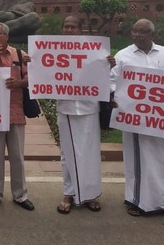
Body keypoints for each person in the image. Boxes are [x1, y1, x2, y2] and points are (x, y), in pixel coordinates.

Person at [110, 19, 164, 219]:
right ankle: (134, 200)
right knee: (136, 159)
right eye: (134, 31)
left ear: (153, 35)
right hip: (134, 117)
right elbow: (112, 81)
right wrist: (118, 98)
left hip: (162, 119)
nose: (137, 35)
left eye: (142, 31)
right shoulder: (123, 55)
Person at [0, 22, 34, 212]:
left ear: (6, 36)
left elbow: (33, 79)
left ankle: (20, 195)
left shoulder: (20, 55)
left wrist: (19, 82)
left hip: (15, 110)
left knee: (17, 156)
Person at [56, 16, 108, 214]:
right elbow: (44, 73)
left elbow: (104, 76)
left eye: (73, 26)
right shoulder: (52, 51)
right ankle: (68, 193)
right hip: (66, 107)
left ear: (80, 29)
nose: (69, 30)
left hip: (89, 107)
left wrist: (108, 64)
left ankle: (90, 195)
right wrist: (33, 62)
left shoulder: (94, 50)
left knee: (90, 152)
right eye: (66, 26)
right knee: (67, 153)